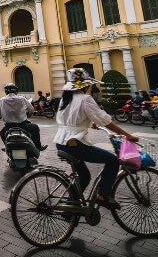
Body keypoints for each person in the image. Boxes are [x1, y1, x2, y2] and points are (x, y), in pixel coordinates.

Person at [54, 68, 139, 210]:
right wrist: (128, 135)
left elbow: (73, 119)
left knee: (85, 176)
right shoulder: (85, 99)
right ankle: (104, 195)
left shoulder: (66, 98)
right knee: (112, 160)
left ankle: (70, 205)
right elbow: (105, 121)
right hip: (75, 145)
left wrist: (90, 122)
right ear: (86, 85)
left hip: (62, 143)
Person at [0, 83, 46, 151]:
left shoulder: (1, 100)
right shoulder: (22, 98)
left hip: (8, 126)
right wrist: (30, 112)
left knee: (2, 133)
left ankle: (7, 147)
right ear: (16, 91)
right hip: (23, 125)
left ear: (6, 92)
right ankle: (38, 147)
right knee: (35, 128)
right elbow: (31, 109)